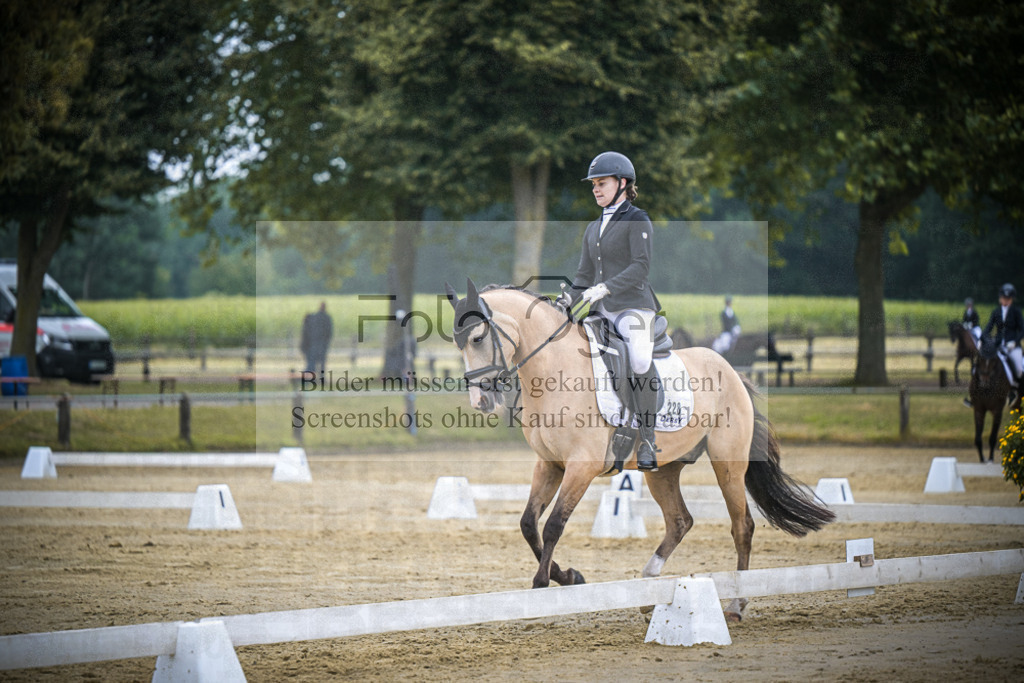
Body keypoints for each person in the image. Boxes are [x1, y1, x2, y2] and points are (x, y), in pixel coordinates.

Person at [559, 151, 661, 471]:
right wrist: (565, 301)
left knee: (641, 358)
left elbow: (641, 267)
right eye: (593, 185)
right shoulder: (593, 228)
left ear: (623, 183)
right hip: (601, 312)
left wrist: (606, 288)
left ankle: (647, 438)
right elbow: (582, 276)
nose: (596, 190)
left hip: (634, 307)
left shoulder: (637, 219)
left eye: (601, 183)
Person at [982, 283, 1023, 399]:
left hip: (1013, 346)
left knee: (1019, 369)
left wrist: (1015, 342)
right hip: (998, 345)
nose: (1005, 301)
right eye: (1004, 298)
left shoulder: (1016, 312)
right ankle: (980, 391)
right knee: (984, 363)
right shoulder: (996, 312)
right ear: (1000, 298)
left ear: (1012, 299)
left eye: (1008, 299)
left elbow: (1022, 330)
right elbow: (988, 328)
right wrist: (983, 339)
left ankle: (1015, 390)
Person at [301, 302, 333, 373]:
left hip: (313, 344)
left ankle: (310, 377)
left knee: (312, 362)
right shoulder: (326, 317)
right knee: (320, 362)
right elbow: (329, 331)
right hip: (321, 344)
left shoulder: (314, 317)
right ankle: (318, 376)